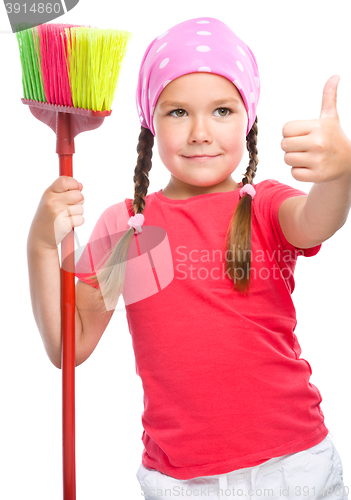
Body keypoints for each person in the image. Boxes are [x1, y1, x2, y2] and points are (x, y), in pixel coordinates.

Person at [26, 16, 350, 500]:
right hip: (180, 481)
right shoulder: (132, 227)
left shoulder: (261, 206)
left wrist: (339, 175)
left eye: (222, 110)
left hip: (292, 465)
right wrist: (39, 245)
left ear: (249, 118)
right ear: (150, 123)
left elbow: (317, 219)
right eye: (178, 113)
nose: (201, 132)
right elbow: (67, 347)